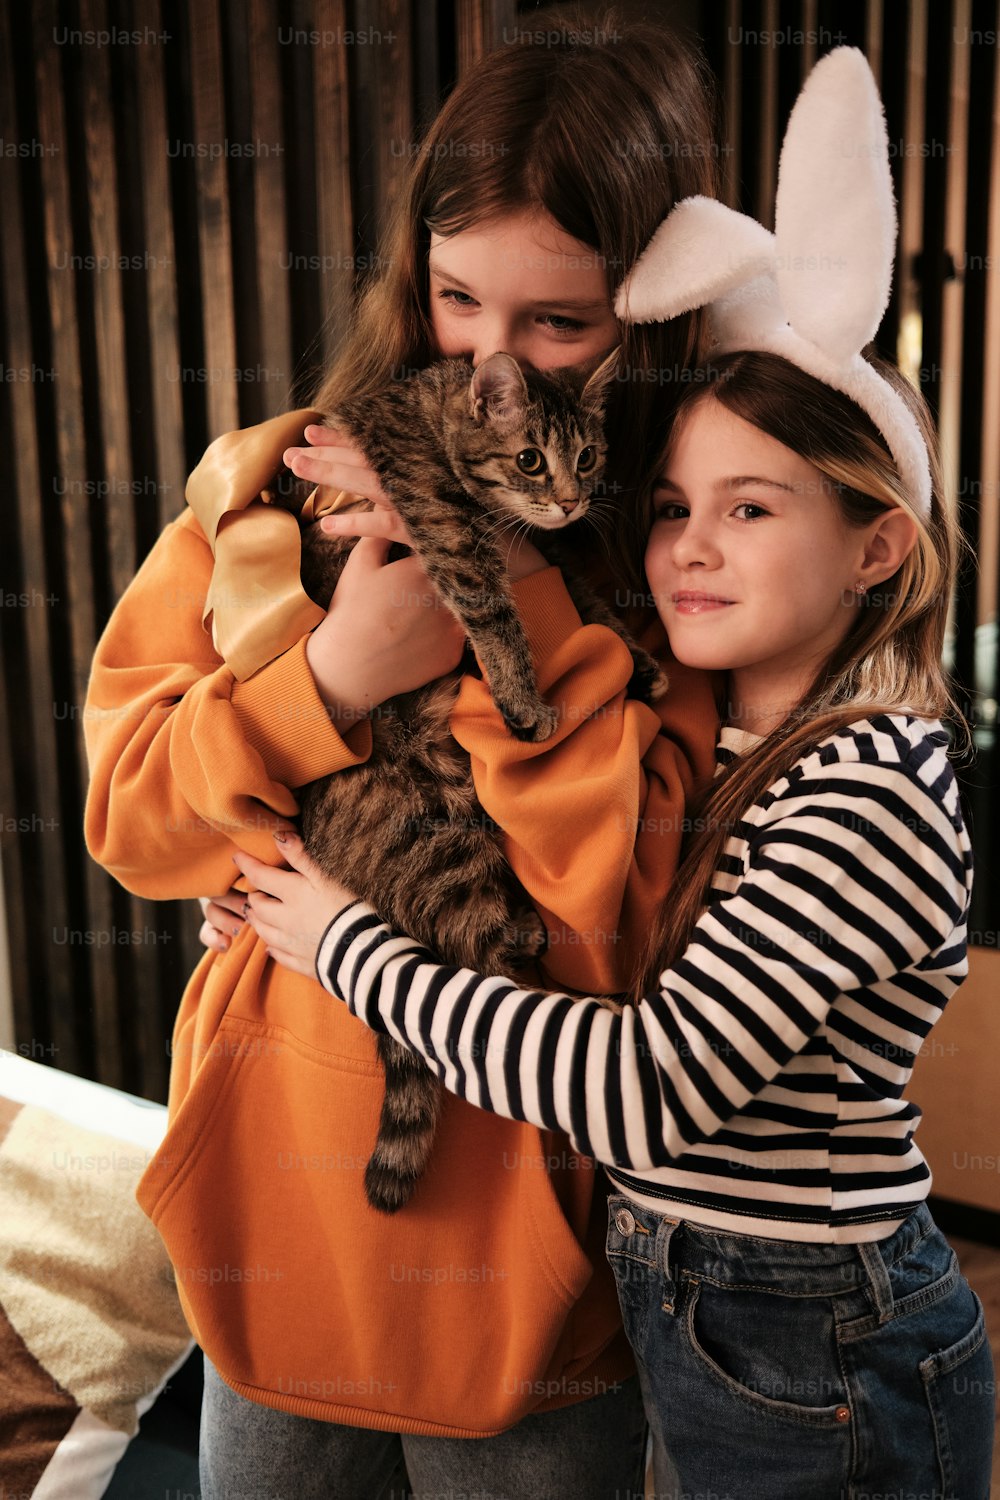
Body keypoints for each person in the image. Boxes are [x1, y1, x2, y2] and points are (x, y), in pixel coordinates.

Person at [231, 49, 997, 1500]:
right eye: (669, 508)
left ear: (879, 544)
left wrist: (343, 945)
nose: (689, 547)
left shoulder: (872, 789)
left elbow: (642, 1088)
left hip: (817, 1339)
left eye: (752, 508)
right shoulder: (750, 750)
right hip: (704, 1306)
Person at [83, 10, 726, 1498]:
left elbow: (616, 914)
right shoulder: (264, 484)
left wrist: (501, 584)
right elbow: (131, 818)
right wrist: (325, 679)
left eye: (560, 323)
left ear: (656, 317)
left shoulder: (692, 558)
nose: (493, 362)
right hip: (273, 1238)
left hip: (524, 1266)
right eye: (455, 299)